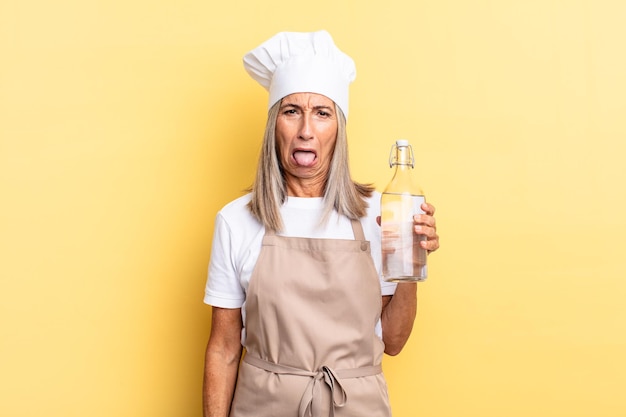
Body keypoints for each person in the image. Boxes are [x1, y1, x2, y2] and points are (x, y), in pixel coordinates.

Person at [203, 30, 439, 417]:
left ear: (338, 130)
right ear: (274, 126)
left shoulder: (379, 215)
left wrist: (412, 265)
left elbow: (393, 341)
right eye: (291, 110)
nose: (306, 130)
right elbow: (224, 349)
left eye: (322, 113)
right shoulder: (236, 220)